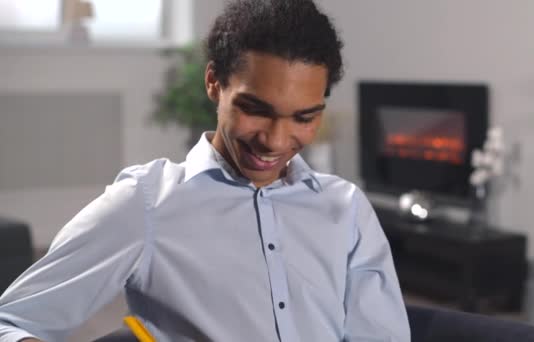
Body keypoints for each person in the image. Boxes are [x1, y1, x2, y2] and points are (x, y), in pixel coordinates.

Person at [0, 0, 410, 341]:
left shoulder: (347, 208)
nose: (275, 140)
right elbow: (12, 323)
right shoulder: (147, 202)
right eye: (255, 110)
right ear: (214, 82)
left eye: (304, 118)